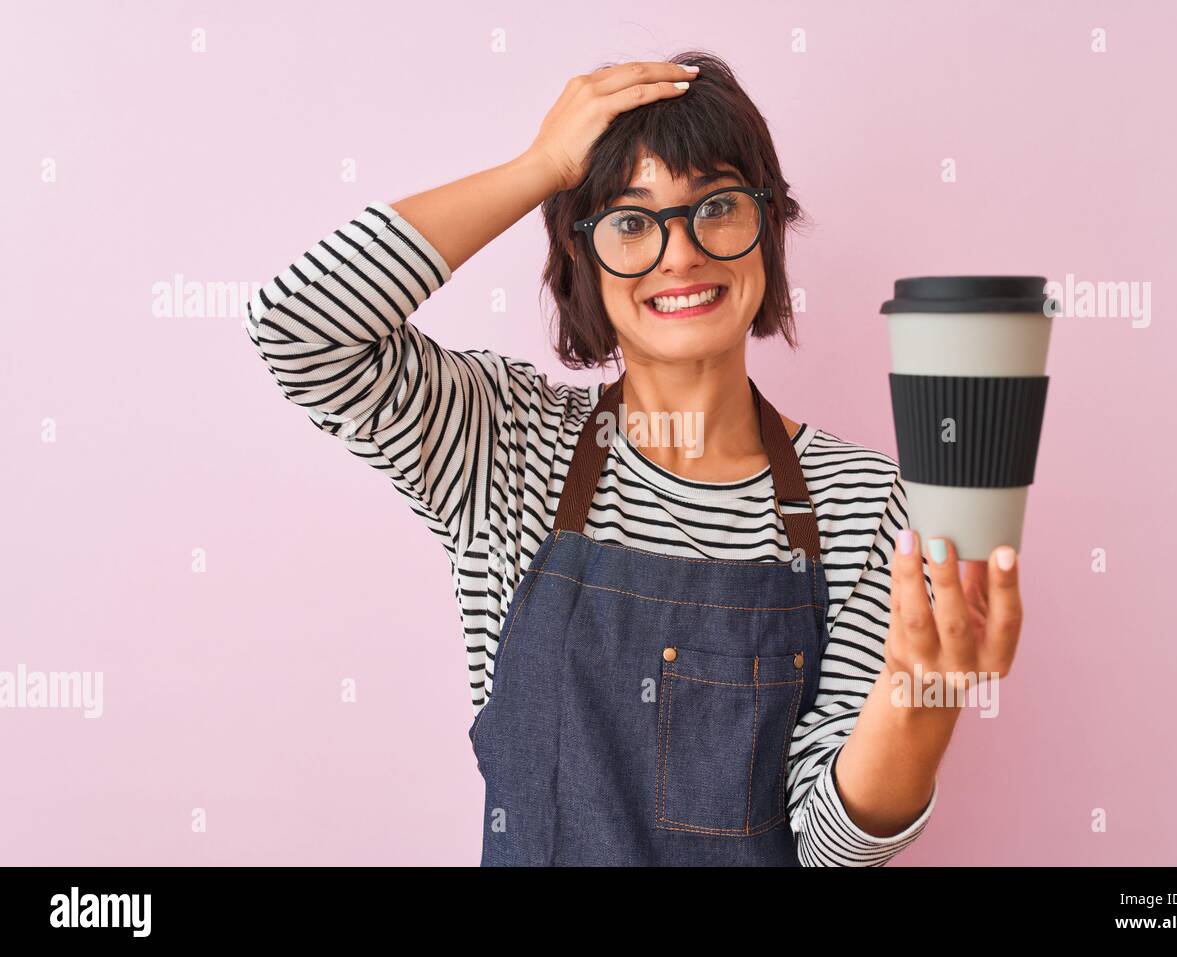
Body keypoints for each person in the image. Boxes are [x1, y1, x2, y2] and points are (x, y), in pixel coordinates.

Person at [242, 51, 1023, 866]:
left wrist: (921, 695)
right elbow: (297, 330)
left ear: (767, 227)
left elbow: (826, 848)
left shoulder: (864, 501)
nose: (679, 255)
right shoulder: (504, 444)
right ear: (579, 256)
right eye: (630, 219)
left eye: (715, 206)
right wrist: (538, 167)